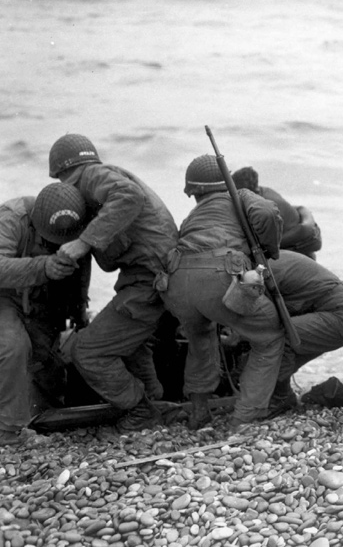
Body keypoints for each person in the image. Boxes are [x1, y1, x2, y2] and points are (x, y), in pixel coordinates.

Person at [48, 133, 178, 431]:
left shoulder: (92, 176)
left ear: (62, 173)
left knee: (87, 352)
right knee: (131, 344)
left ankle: (141, 410)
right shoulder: (101, 180)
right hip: (148, 277)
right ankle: (153, 402)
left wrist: (82, 243)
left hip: (150, 280)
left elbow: (128, 197)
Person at [161, 154, 284, 430]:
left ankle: (199, 412)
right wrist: (269, 250)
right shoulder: (238, 196)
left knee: (200, 339)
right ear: (225, 181)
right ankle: (245, 418)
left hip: (177, 282)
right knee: (269, 334)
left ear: (193, 192)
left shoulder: (192, 216)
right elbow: (267, 213)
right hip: (219, 277)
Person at [0, 183, 90, 445]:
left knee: (48, 363)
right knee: (12, 347)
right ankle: (7, 432)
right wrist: (44, 266)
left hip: (39, 298)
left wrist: (78, 308)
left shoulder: (77, 224)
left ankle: (45, 419)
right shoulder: (11, 218)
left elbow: (82, 264)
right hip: (4, 295)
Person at [246, 250, 343, 417]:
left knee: (275, 338)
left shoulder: (261, 272)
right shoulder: (264, 262)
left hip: (340, 317)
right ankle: (277, 393)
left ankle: (280, 397)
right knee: (271, 344)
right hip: (332, 314)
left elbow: (262, 322)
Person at [232, 166, 323, 259]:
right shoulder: (264, 191)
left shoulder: (263, 207)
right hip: (298, 235)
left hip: (297, 244)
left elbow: (265, 242)